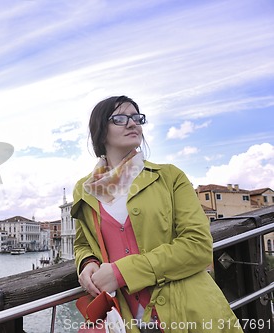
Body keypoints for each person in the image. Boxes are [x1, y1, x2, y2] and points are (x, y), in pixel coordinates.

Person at [72, 96, 242, 332]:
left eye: (136, 117)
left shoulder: (170, 177)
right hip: (125, 319)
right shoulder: (86, 189)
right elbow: (83, 243)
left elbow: (199, 246)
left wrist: (121, 273)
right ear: (100, 132)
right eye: (120, 118)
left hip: (191, 312)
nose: (132, 124)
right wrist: (87, 262)